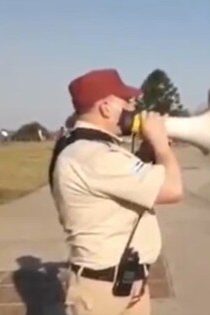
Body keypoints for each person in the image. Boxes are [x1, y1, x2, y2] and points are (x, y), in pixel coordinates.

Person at [49, 68, 183, 315]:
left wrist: (147, 152)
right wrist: (162, 146)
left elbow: (122, 182)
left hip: (122, 283)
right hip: (106, 294)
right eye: (126, 102)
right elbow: (173, 189)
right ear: (106, 107)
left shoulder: (89, 148)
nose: (133, 108)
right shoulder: (93, 155)